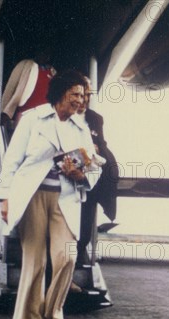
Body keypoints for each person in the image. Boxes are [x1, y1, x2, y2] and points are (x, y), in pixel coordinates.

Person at [0, 70, 102, 319]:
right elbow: (12, 161)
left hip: (65, 198)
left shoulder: (80, 127)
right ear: (61, 93)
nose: (80, 100)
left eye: (83, 95)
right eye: (75, 94)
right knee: (35, 262)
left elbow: (92, 166)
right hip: (32, 196)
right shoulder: (32, 119)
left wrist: (82, 175)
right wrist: (4, 197)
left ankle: (54, 314)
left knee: (67, 256)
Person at [73, 77, 119, 267]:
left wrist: (94, 149)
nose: (85, 100)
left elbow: (101, 144)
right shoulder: (62, 115)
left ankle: (80, 250)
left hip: (88, 173)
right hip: (68, 171)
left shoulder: (95, 118)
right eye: (82, 95)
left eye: (88, 95)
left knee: (87, 210)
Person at [0, 48, 56, 140]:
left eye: (48, 53)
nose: (45, 55)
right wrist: (4, 110)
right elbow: (11, 87)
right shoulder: (25, 65)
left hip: (45, 118)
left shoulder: (52, 71)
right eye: (42, 51)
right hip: (25, 114)